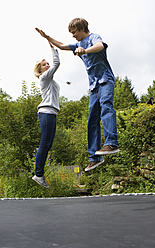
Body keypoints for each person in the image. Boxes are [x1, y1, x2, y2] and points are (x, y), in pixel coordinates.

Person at [36, 17, 119, 172]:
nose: (73, 36)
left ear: (82, 29)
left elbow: (100, 46)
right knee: (92, 119)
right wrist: (46, 37)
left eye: (74, 32)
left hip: (105, 80)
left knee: (106, 107)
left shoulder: (93, 38)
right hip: (94, 86)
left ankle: (111, 143)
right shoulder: (77, 44)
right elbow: (61, 46)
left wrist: (85, 51)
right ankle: (94, 157)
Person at [32, 40, 60, 188]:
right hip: (46, 112)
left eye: (47, 63)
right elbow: (57, 64)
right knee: (45, 143)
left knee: (48, 144)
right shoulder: (44, 78)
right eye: (44, 65)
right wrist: (53, 48)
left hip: (52, 113)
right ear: (40, 70)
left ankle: (39, 174)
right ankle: (38, 174)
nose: (48, 65)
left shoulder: (50, 80)